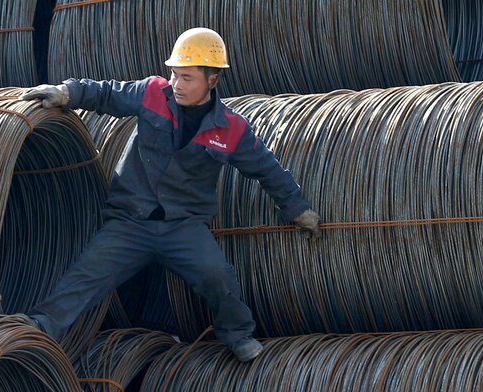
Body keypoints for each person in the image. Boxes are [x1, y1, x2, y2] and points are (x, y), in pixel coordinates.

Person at [19, 27, 320, 362]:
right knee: (87, 276)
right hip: (130, 222)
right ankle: (40, 327)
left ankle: (238, 335)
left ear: (213, 80)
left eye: (188, 78)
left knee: (216, 276)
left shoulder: (231, 129)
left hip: (184, 227)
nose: (177, 84)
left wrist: (297, 208)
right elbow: (107, 93)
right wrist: (66, 93)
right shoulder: (152, 93)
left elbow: (267, 169)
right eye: (175, 75)